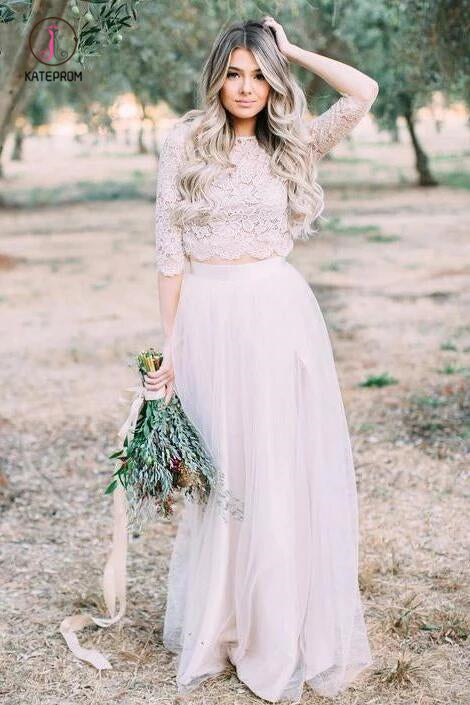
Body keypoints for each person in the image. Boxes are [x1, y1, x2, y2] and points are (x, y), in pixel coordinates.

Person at [143, 16, 378, 704]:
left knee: (276, 465)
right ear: (217, 75)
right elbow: (168, 250)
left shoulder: (294, 142)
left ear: (274, 81)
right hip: (208, 320)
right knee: (223, 473)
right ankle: (222, 622)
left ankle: (278, 626)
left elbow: (362, 91)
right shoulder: (182, 141)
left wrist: (292, 48)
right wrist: (171, 346)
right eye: (235, 73)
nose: (246, 88)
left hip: (277, 315)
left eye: (260, 74)